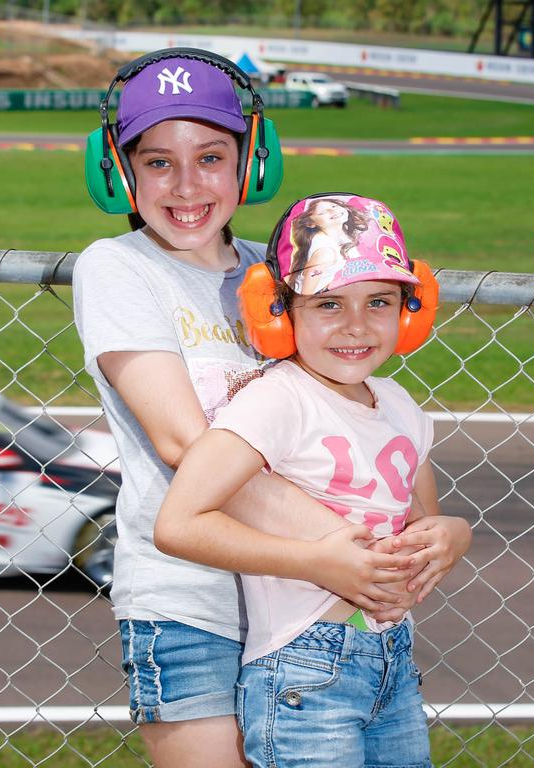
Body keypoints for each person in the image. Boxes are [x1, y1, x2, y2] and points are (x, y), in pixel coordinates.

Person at [74, 50, 467, 768]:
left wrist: (419, 536)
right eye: (158, 162)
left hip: (300, 612)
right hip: (188, 604)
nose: (187, 185)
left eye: (212, 157)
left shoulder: (290, 276)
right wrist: (346, 551)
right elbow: (182, 441)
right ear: (119, 170)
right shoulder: (117, 266)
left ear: (254, 159)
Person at [155, 193, 472, 768]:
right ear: (278, 311)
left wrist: (454, 534)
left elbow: (421, 519)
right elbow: (179, 524)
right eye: (328, 304)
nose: (356, 326)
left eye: (379, 301)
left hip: (391, 656)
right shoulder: (276, 401)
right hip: (303, 668)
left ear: (409, 309)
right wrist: (313, 561)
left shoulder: (400, 405)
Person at [288, 196, 368, 295]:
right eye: (322, 212)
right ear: (311, 223)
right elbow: (306, 295)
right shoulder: (325, 252)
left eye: (334, 206)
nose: (332, 211)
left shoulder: (342, 235)